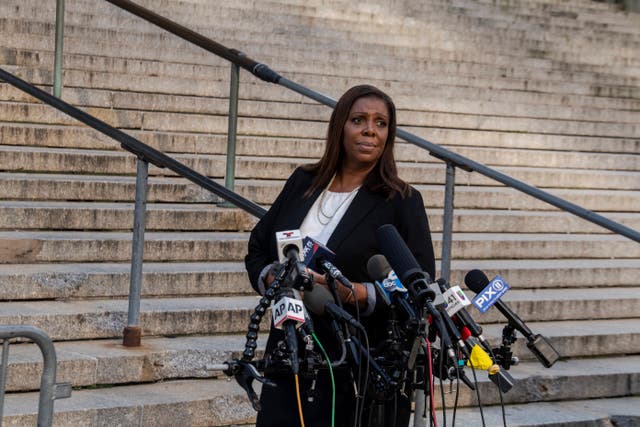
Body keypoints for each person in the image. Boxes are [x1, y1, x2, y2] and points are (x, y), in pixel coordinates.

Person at [245, 84, 436, 427]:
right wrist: (274, 278)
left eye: (381, 123)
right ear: (340, 126)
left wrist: (352, 294)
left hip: (356, 366)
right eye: (359, 119)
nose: (369, 130)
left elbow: (417, 285)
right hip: (289, 351)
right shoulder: (304, 181)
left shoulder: (402, 200)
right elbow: (258, 247)